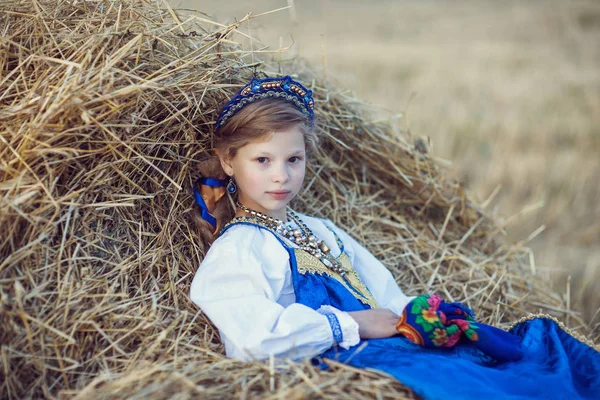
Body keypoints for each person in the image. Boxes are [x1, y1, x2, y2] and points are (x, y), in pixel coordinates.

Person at [189, 75, 600, 399]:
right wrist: (347, 324)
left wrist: (417, 314)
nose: (281, 175)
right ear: (228, 161)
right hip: (343, 365)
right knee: (468, 386)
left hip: (387, 347)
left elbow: (383, 293)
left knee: (524, 363)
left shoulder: (321, 230)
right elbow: (252, 341)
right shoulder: (240, 248)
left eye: (293, 159)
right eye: (263, 160)